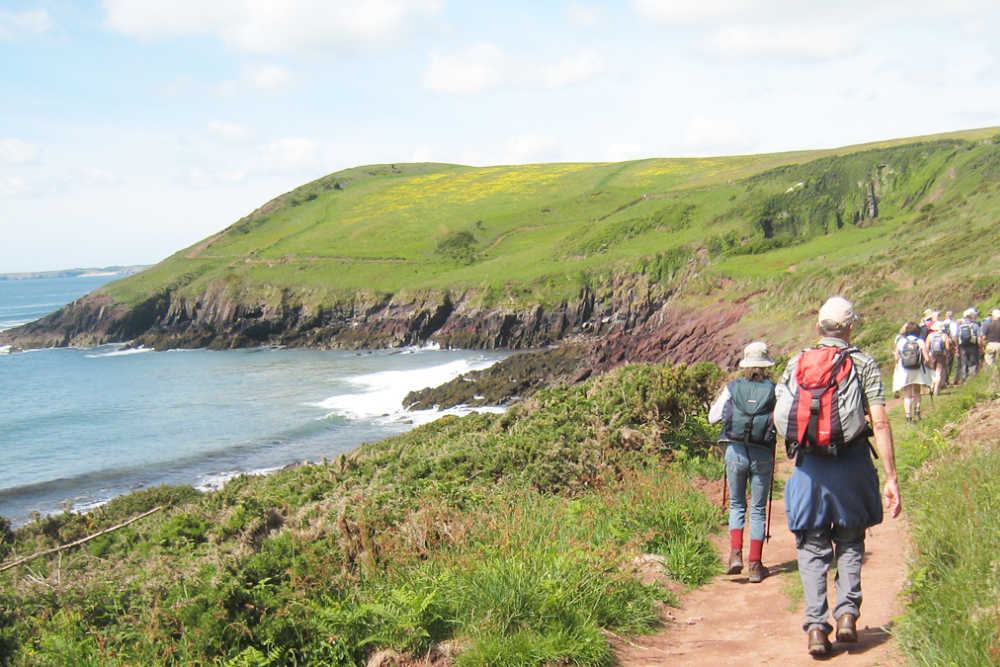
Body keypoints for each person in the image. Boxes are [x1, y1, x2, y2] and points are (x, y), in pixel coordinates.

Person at [774, 296, 901, 656]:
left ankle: (816, 626)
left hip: (809, 469)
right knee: (850, 542)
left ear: (818, 327)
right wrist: (891, 477)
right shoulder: (863, 363)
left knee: (812, 549)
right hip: (853, 465)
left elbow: (778, 419)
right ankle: (847, 615)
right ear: (850, 328)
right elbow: (879, 421)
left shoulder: (796, 362)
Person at [708, 342, 777, 584]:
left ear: (746, 365)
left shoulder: (732, 388)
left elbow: (713, 417)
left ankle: (735, 555)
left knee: (737, 505)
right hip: (763, 454)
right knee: (757, 510)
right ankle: (755, 566)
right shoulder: (774, 390)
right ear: (766, 365)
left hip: (735, 452)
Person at [893, 322, 932, 422]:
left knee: (907, 394)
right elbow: (927, 358)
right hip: (917, 369)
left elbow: (897, 358)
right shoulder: (920, 341)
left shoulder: (901, 342)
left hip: (905, 370)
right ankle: (917, 413)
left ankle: (908, 417)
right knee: (917, 392)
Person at [954, 308, 983, 384]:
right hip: (973, 346)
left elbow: (955, 337)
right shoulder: (975, 325)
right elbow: (980, 338)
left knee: (964, 363)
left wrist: (957, 347)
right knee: (973, 363)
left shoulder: (960, 326)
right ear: (971, 316)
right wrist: (980, 347)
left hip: (963, 346)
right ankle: (971, 378)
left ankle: (964, 378)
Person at [925, 322, 952, 395]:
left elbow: (927, 347)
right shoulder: (945, 336)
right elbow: (947, 347)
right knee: (938, 373)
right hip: (941, 355)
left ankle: (931, 387)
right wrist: (948, 353)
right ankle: (936, 389)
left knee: (931, 372)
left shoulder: (930, 335)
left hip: (931, 355)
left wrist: (926, 355)